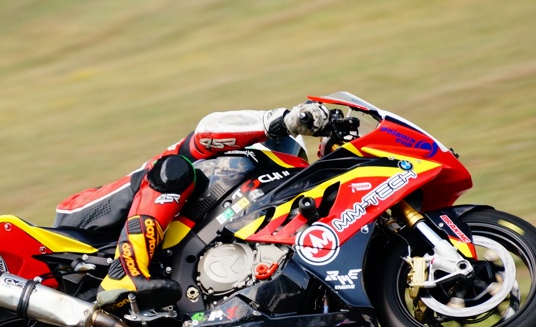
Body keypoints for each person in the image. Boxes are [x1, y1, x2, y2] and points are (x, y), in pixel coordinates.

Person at [52, 100, 332, 312]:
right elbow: (207, 128)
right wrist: (281, 121)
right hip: (87, 217)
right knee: (174, 170)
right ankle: (124, 272)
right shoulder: (215, 154)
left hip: (145, 252)